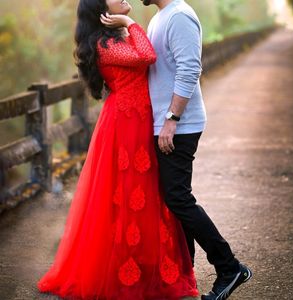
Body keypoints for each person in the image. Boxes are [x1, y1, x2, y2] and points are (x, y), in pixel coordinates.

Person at [36, 0, 199, 299]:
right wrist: (128, 24)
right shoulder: (105, 44)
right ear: (102, 9)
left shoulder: (116, 39)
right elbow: (148, 56)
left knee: (148, 192)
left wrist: (128, 28)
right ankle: (125, 270)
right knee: (128, 194)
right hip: (126, 123)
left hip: (139, 118)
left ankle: (147, 264)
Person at [141, 0, 253, 299]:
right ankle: (184, 272)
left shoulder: (179, 16)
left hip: (179, 124)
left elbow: (190, 68)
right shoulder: (160, 17)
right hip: (166, 124)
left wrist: (171, 119)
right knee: (174, 198)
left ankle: (229, 267)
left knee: (178, 197)